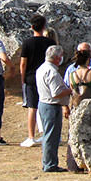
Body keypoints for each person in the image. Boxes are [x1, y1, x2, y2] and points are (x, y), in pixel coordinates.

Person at [17, 14, 58, 148]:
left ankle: (31, 136)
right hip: (47, 76)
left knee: (32, 107)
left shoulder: (27, 43)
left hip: (31, 77)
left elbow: (23, 63)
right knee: (48, 105)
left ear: (31, 27)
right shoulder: (50, 43)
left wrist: (22, 79)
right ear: (44, 26)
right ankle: (47, 133)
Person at [35, 45, 71, 173]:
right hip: (51, 105)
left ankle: (49, 162)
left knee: (49, 135)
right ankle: (50, 164)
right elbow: (56, 93)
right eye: (60, 56)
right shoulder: (52, 72)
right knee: (51, 136)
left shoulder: (42, 68)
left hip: (44, 104)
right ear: (56, 58)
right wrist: (69, 90)